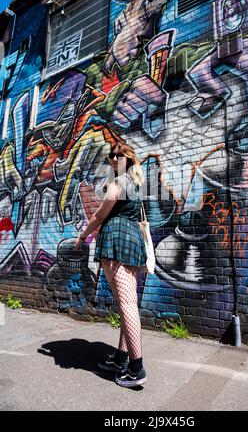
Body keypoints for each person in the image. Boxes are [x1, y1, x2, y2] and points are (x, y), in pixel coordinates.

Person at [75, 141, 147, 388]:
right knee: (127, 302)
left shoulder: (119, 183)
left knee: (126, 304)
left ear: (129, 158)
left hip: (117, 240)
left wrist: (83, 235)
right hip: (132, 241)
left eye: (119, 155)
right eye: (111, 157)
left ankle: (136, 368)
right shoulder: (137, 185)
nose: (114, 159)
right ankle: (120, 357)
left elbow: (100, 215)